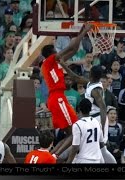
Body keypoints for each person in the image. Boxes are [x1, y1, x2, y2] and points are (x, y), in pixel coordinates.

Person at [40, 24, 93, 157]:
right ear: (52, 53)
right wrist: (85, 31)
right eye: (55, 50)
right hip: (57, 98)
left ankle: (52, 156)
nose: (58, 51)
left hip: (57, 98)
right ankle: (54, 157)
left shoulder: (54, 63)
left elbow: (74, 50)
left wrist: (81, 33)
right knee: (75, 132)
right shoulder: (48, 62)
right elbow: (70, 47)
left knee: (72, 133)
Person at [60, 64, 117, 163]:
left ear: (91, 73)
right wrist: (63, 64)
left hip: (98, 119)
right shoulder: (91, 83)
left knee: (101, 148)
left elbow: (103, 108)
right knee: (97, 148)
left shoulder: (96, 90)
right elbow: (75, 77)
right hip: (91, 118)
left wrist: (102, 128)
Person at [66, 99, 105, 163]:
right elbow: (101, 143)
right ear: (90, 109)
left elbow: (75, 147)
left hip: (83, 159)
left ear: (79, 109)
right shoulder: (97, 122)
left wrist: (68, 162)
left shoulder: (77, 124)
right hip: (97, 159)